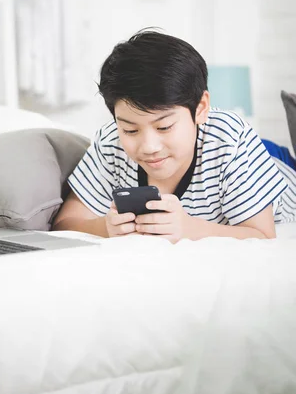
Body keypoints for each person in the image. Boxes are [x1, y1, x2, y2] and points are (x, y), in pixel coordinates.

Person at [52, 30, 295, 241]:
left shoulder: (230, 138)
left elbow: (262, 235)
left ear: (200, 108)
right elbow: (65, 222)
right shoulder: (110, 142)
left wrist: (189, 228)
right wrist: (103, 228)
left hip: (279, 167)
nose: (149, 146)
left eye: (164, 127)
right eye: (130, 130)